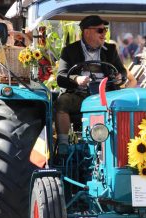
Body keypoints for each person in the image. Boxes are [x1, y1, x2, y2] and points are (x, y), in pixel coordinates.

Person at [55, 15, 127, 153]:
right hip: (80, 96)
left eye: (105, 30)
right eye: (100, 31)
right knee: (62, 102)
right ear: (87, 32)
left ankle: (121, 144)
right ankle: (63, 146)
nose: (104, 34)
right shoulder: (70, 50)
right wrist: (76, 79)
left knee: (124, 104)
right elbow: (60, 77)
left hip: (107, 96)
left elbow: (122, 71)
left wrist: (120, 77)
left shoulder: (110, 49)